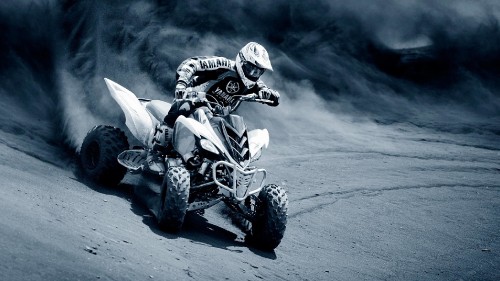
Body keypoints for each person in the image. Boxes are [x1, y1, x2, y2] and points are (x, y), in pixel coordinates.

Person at [146, 42, 281, 173]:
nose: (253, 73)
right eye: (250, 67)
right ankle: (156, 152)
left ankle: (229, 170)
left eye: (258, 71)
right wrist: (182, 83)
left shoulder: (255, 84)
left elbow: (274, 97)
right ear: (241, 61)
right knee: (184, 107)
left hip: (218, 116)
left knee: (237, 128)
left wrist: (270, 95)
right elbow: (191, 63)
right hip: (194, 102)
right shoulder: (224, 65)